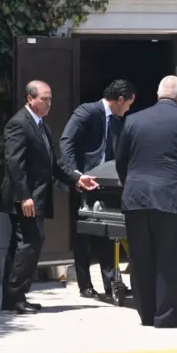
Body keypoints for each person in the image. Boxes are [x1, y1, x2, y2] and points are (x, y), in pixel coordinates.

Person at [115, 75, 177, 328]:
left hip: (136, 200)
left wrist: (132, 185)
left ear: (158, 96)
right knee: (169, 259)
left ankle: (146, 314)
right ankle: (166, 316)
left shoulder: (133, 120)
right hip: (171, 199)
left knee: (141, 258)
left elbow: (121, 161)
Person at [0, 80, 99, 314]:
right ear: (30, 99)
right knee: (30, 245)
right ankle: (16, 297)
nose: (49, 103)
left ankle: (11, 298)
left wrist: (77, 178)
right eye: (44, 98)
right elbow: (14, 164)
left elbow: (54, 164)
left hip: (36, 197)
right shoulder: (19, 124)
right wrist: (24, 196)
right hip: (25, 198)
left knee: (22, 246)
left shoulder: (41, 126)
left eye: (51, 98)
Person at [59, 79, 137, 299]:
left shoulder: (117, 123)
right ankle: (85, 285)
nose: (129, 109)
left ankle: (112, 283)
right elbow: (67, 142)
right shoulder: (87, 112)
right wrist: (76, 175)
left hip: (106, 185)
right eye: (129, 103)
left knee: (109, 233)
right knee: (83, 235)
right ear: (120, 99)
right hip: (83, 181)